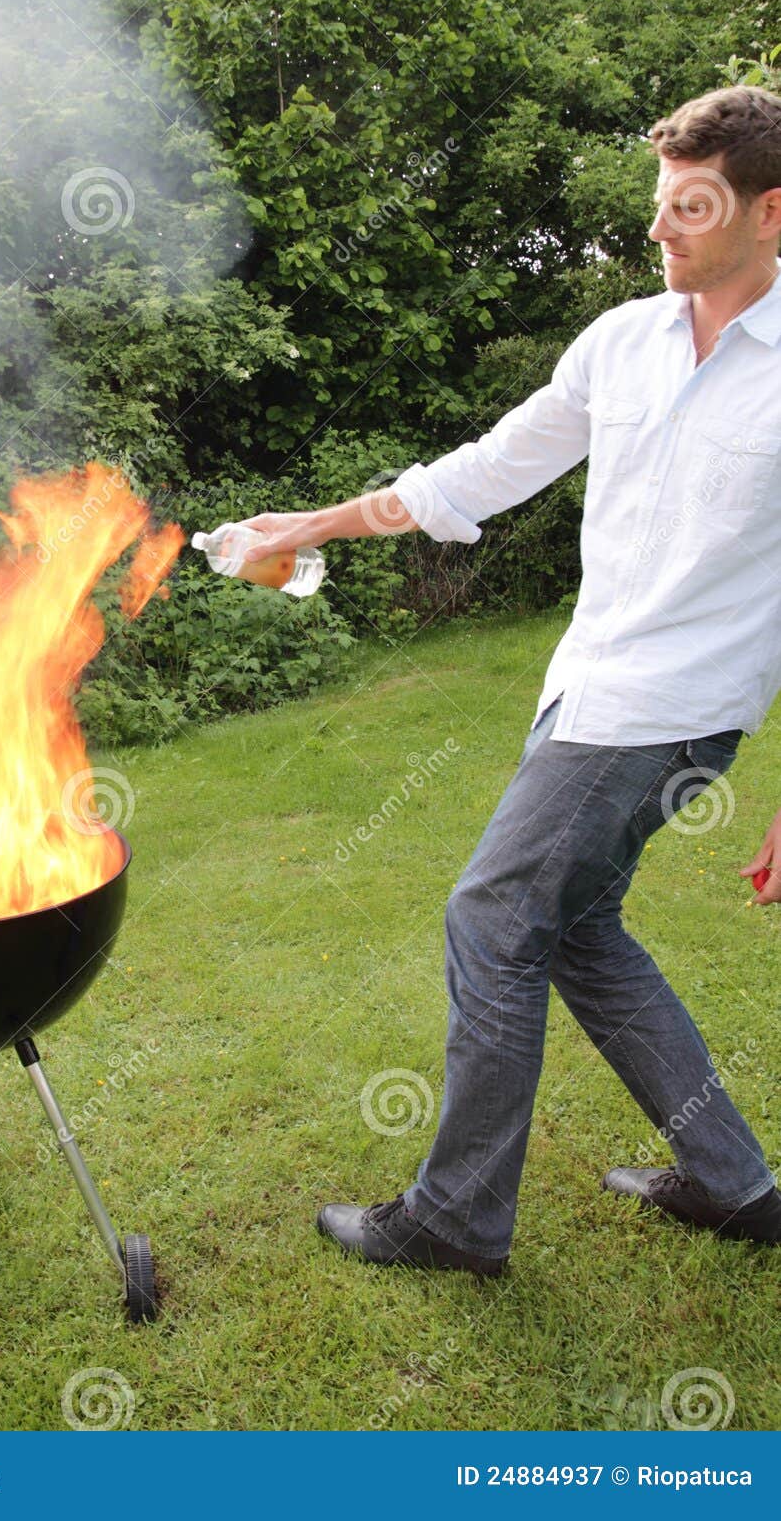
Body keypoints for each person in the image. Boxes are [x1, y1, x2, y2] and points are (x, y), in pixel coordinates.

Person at [242, 85, 781, 1275]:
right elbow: (478, 473)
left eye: (688, 208)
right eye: (656, 206)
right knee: (578, 930)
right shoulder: (621, 343)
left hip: (668, 713)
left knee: (492, 910)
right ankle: (739, 1186)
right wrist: (312, 523)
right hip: (583, 689)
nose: (658, 232)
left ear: (767, 212)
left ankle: (454, 1216)